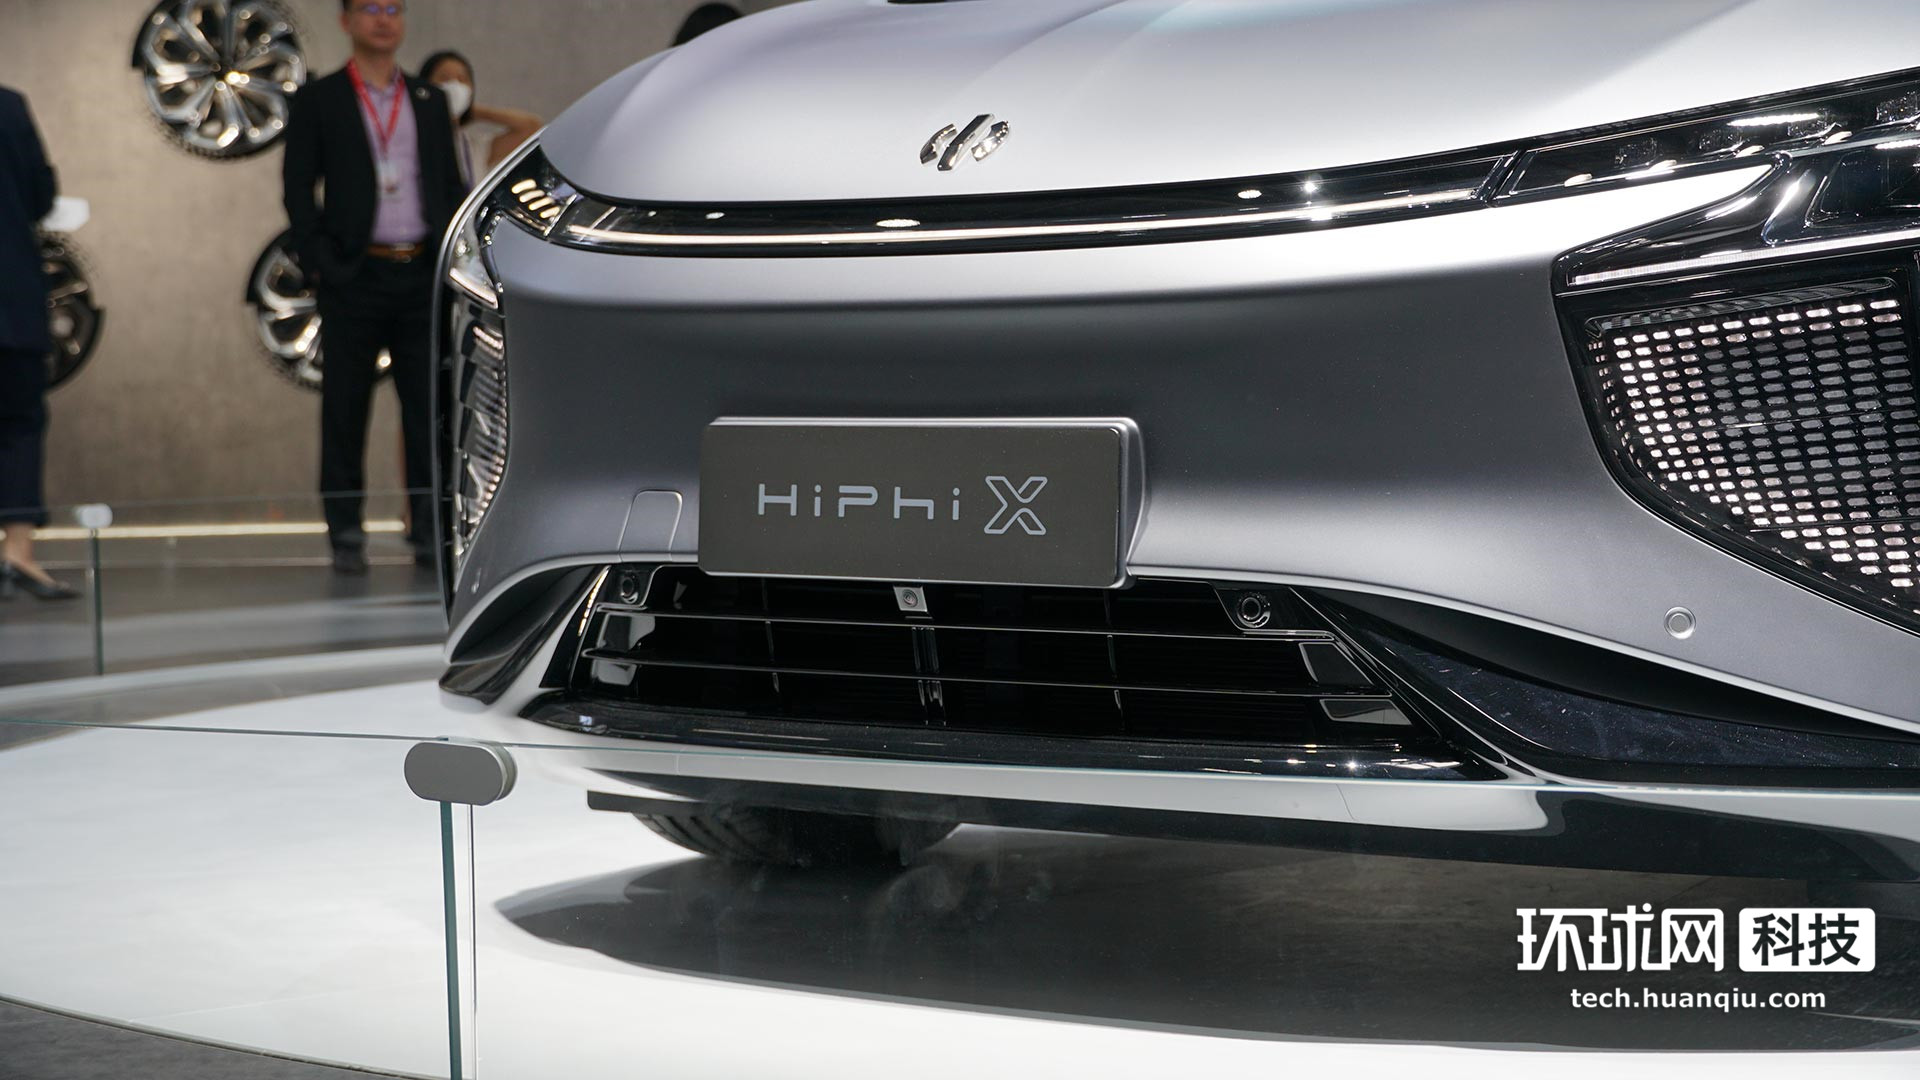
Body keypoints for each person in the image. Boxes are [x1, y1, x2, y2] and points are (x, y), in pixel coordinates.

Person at [282, 0, 466, 574]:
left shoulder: (429, 100)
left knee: (427, 411)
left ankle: (429, 528)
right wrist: (319, 261)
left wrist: (450, 260)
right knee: (345, 407)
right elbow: (297, 187)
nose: (384, 19)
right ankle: (345, 530)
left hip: (420, 272)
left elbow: (449, 185)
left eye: (394, 8)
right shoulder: (321, 98)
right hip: (354, 275)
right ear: (346, 21)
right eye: (370, 8)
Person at [0, 84, 76, 601]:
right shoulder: (7, 106)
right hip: (10, 296)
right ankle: (18, 552)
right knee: (20, 423)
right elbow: (41, 194)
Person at [417, 50, 542, 183]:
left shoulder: (474, 148)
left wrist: (471, 111)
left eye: (462, 79)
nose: (455, 85)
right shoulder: (413, 138)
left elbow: (531, 127)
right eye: (444, 78)